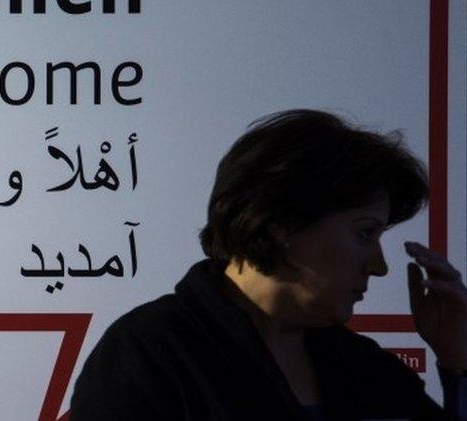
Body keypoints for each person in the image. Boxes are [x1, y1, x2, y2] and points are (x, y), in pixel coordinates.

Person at [70, 109, 467, 420]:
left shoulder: (362, 364)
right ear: (283, 223)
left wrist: (458, 359)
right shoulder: (148, 353)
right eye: (365, 233)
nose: (379, 267)